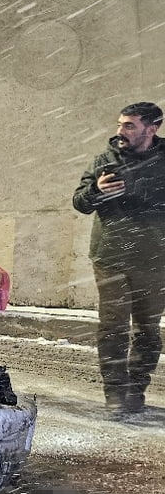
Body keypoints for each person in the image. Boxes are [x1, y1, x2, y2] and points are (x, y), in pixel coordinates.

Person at [72, 101, 165, 414]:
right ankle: (115, 393)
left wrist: (131, 188)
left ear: (152, 129)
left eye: (129, 126)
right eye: (120, 124)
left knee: (148, 331)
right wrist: (96, 191)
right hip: (110, 255)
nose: (120, 131)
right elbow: (80, 202)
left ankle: (136, 389)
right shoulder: (106, 158)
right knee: (113, 327)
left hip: (155, 259)